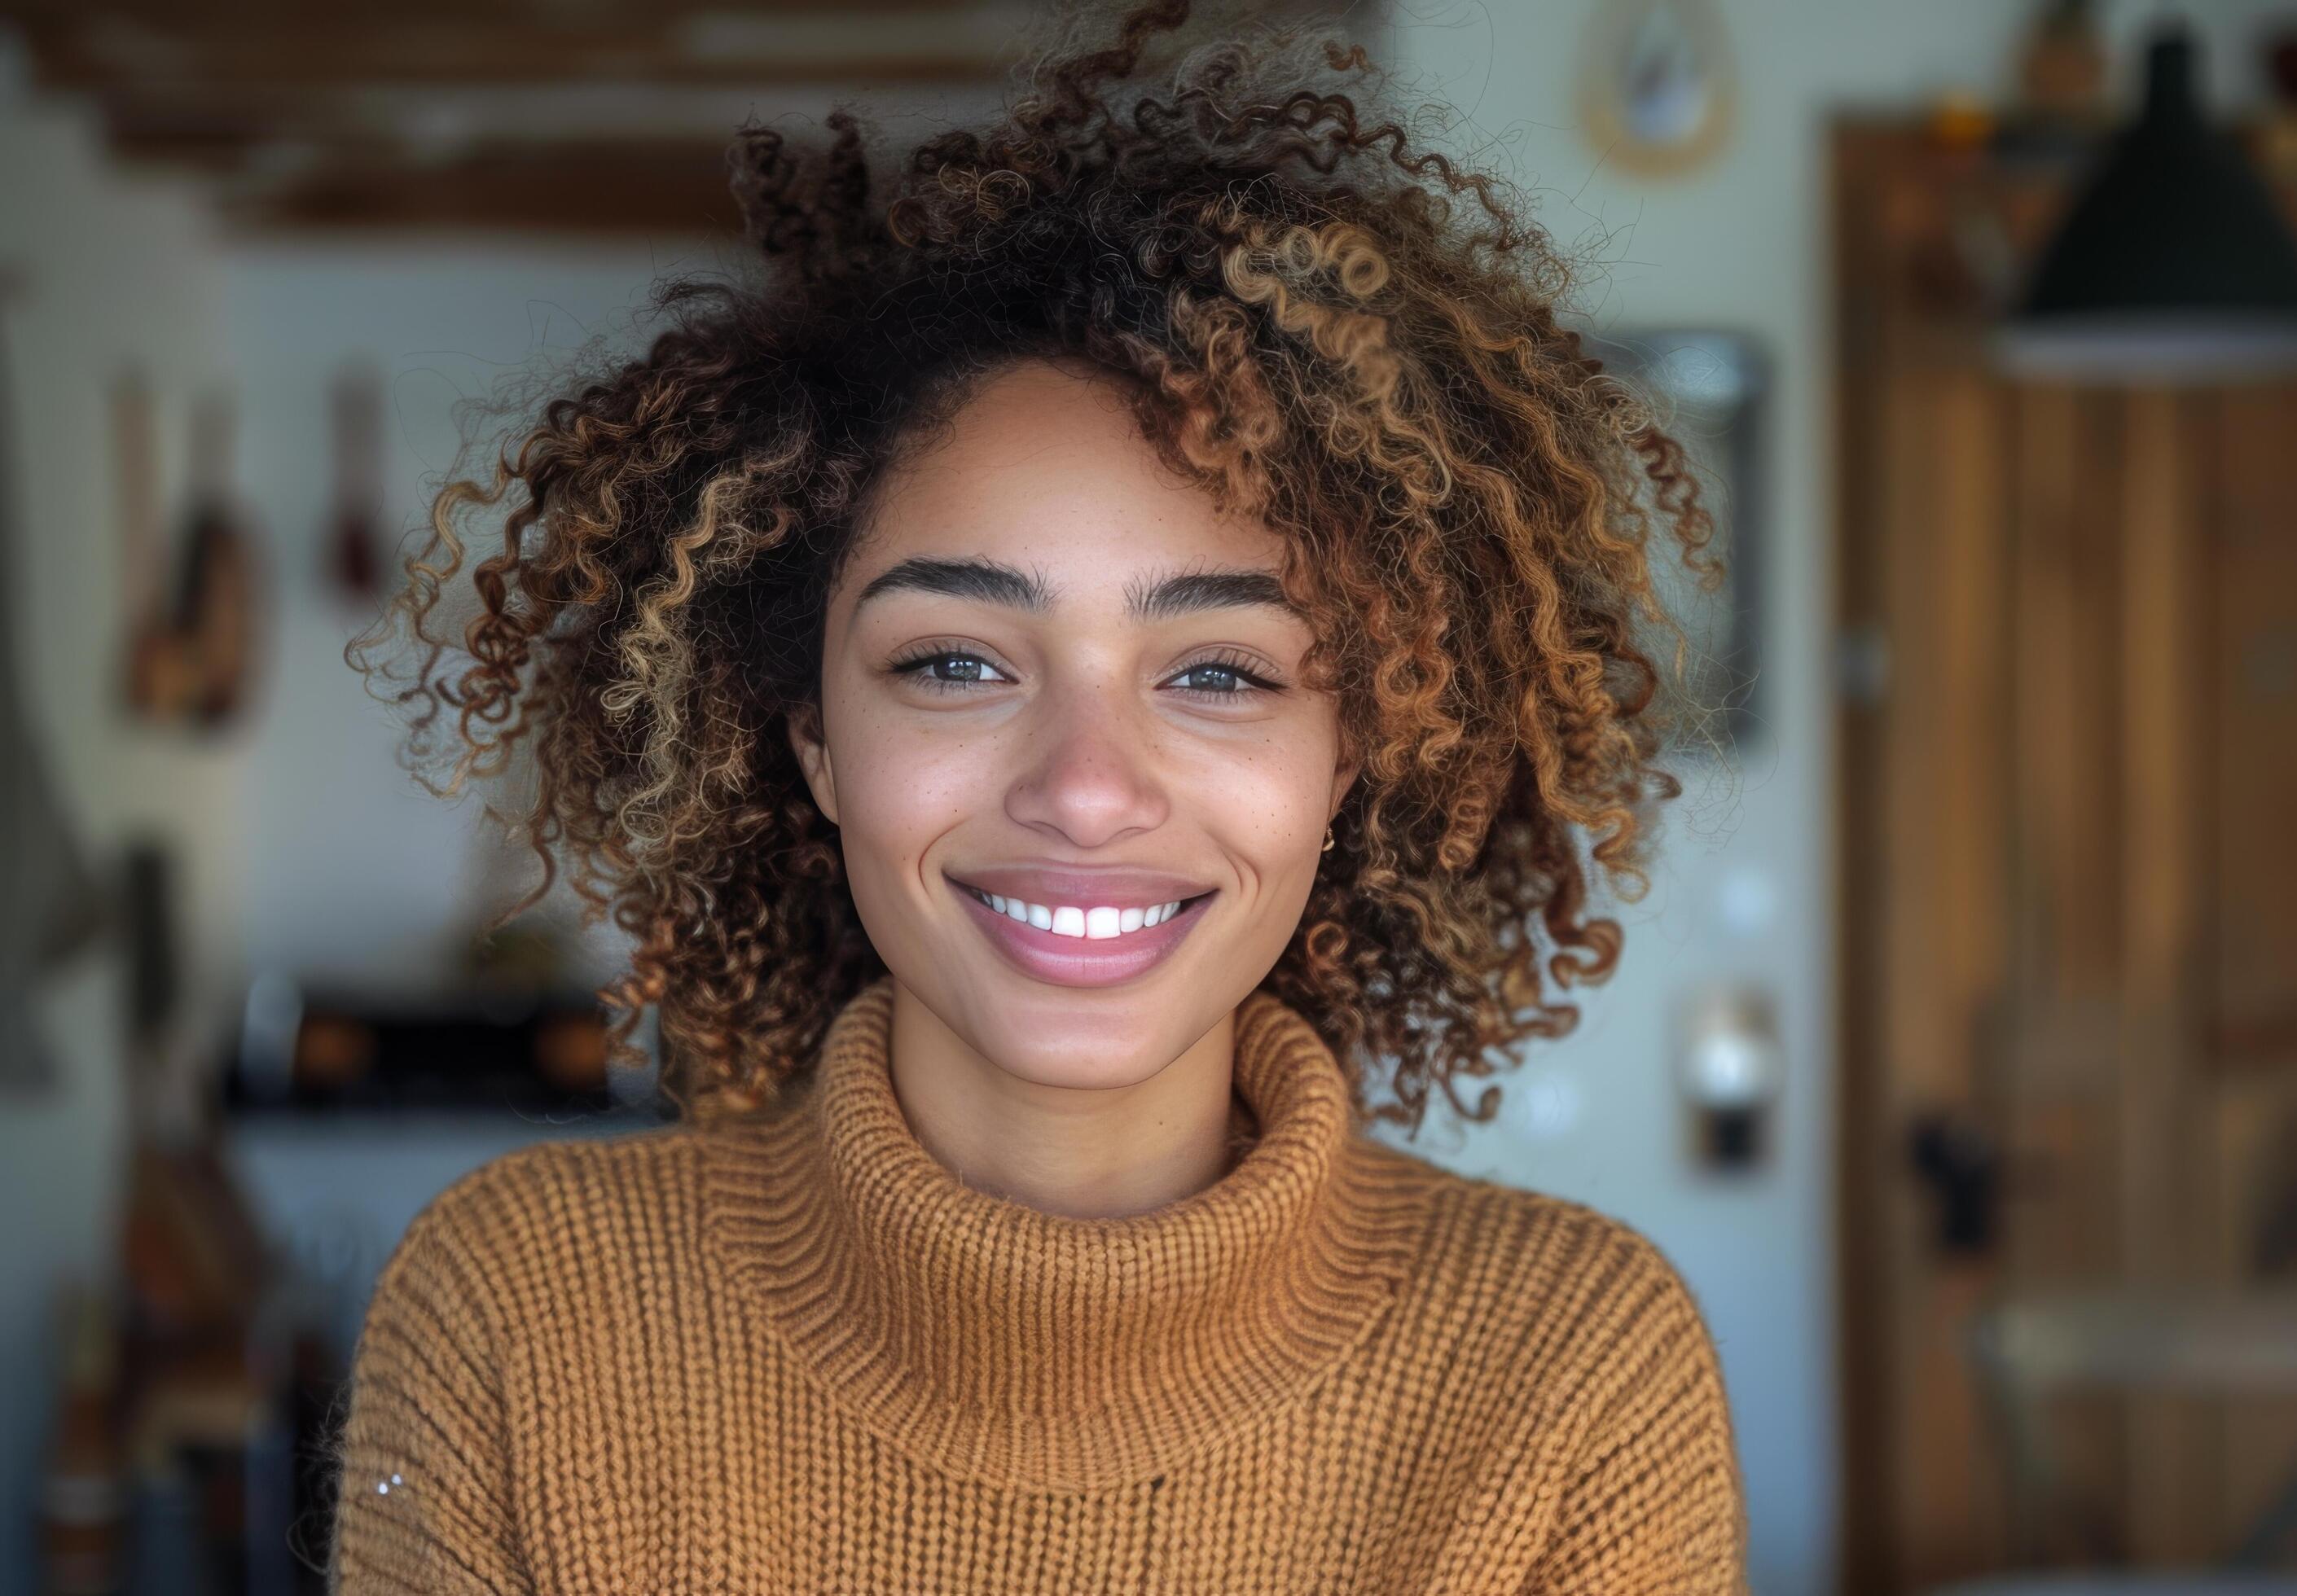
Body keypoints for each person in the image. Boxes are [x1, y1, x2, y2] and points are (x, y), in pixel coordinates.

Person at [327, 1, 1748, 1589]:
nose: (1086, 788)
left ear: (1349, 747)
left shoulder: (1571, 1381)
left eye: (1220, 670)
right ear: (811, 734)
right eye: (953, 662)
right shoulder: (520, 1311)